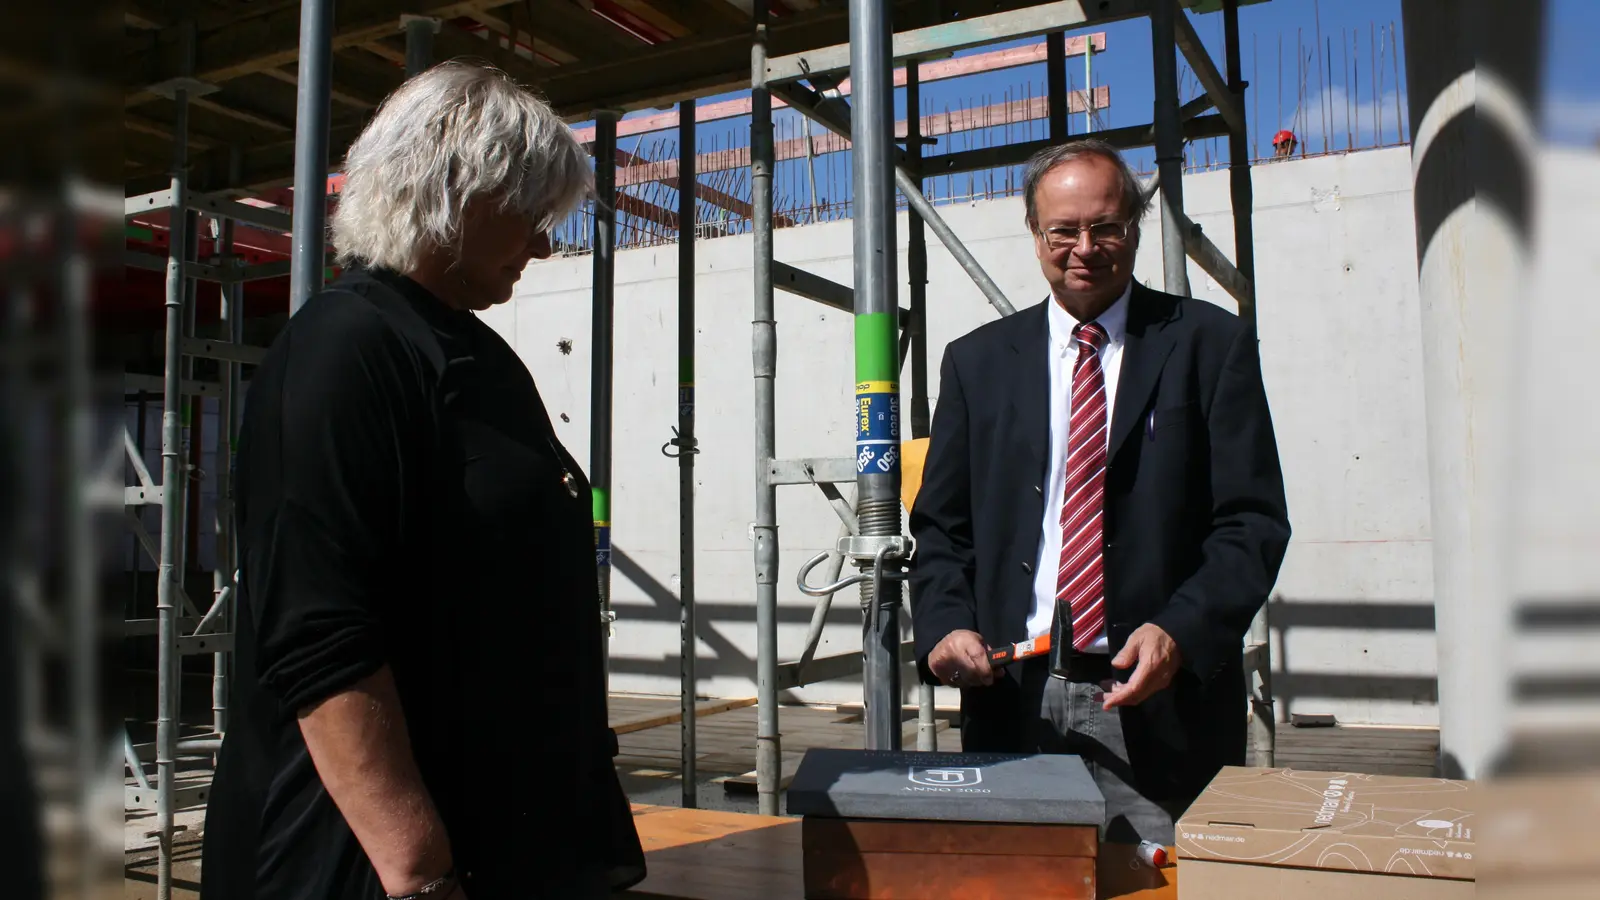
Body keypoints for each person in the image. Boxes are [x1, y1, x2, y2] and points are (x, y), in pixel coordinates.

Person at [201, 62, 646, 900]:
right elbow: (319, 635)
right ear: (458, 191)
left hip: (491, 843)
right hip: (360, 865)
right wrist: (418, 867)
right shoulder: (347, 348)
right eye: (531, 214)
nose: (545, 244)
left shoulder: (471, 354)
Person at [909, 138, 1290, 845]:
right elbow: (941, 531)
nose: (1085, 247)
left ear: (1135, 229)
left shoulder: (1209, 345)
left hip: (1159, 706)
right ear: (1035, 235)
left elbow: (1253, 522)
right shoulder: (976, 364)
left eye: (1106, 226)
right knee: (1017, 885)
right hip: (1010, 699)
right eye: (1064, 229)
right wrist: (941, 626)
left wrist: (1179, 629)